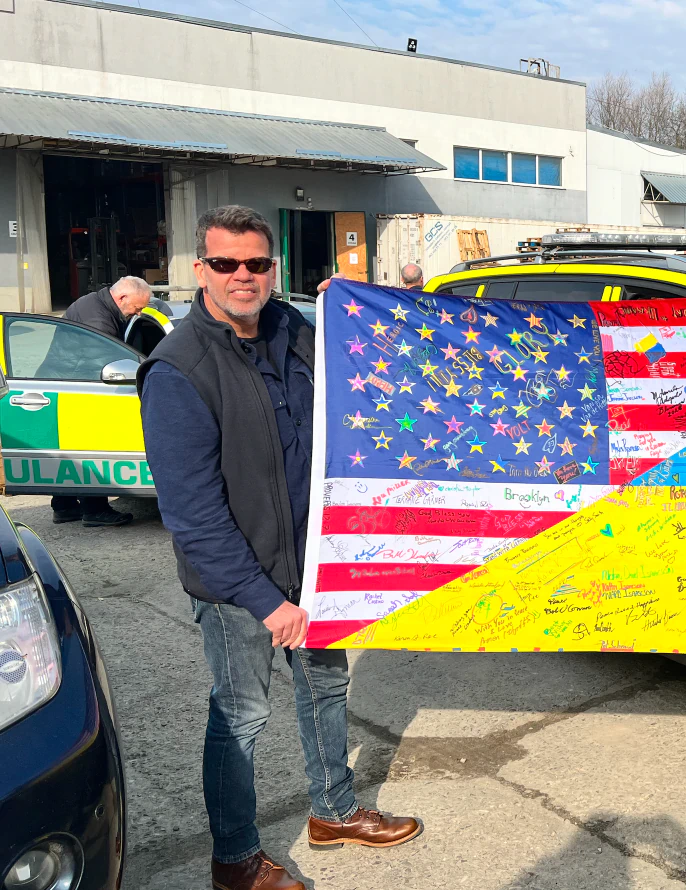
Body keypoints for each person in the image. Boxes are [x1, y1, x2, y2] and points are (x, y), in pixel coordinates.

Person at [137, 206, 422, 890]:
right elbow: (194, 517)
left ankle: (333, 811)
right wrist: (268, 603)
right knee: (242, 714)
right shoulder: (177, 372)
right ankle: (234, 858)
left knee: (326, 686)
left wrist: (361, 312)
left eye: (258, 264)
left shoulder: (294, 330)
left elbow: (366, 379)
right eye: (227, 264)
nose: (244, 276)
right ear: (200, 270)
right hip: (240, 585)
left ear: (276, 269)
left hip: (315, 567)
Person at [49, 276, 153, 527]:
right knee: (88, 446)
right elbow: (104, 361)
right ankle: (94, 509)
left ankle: (63, 506)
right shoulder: (98, 320)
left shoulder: (97, 303)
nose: (137, 313)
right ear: (122, 298)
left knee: (71, 448)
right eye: (137, 308)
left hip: (65, 382)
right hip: (79, 387)